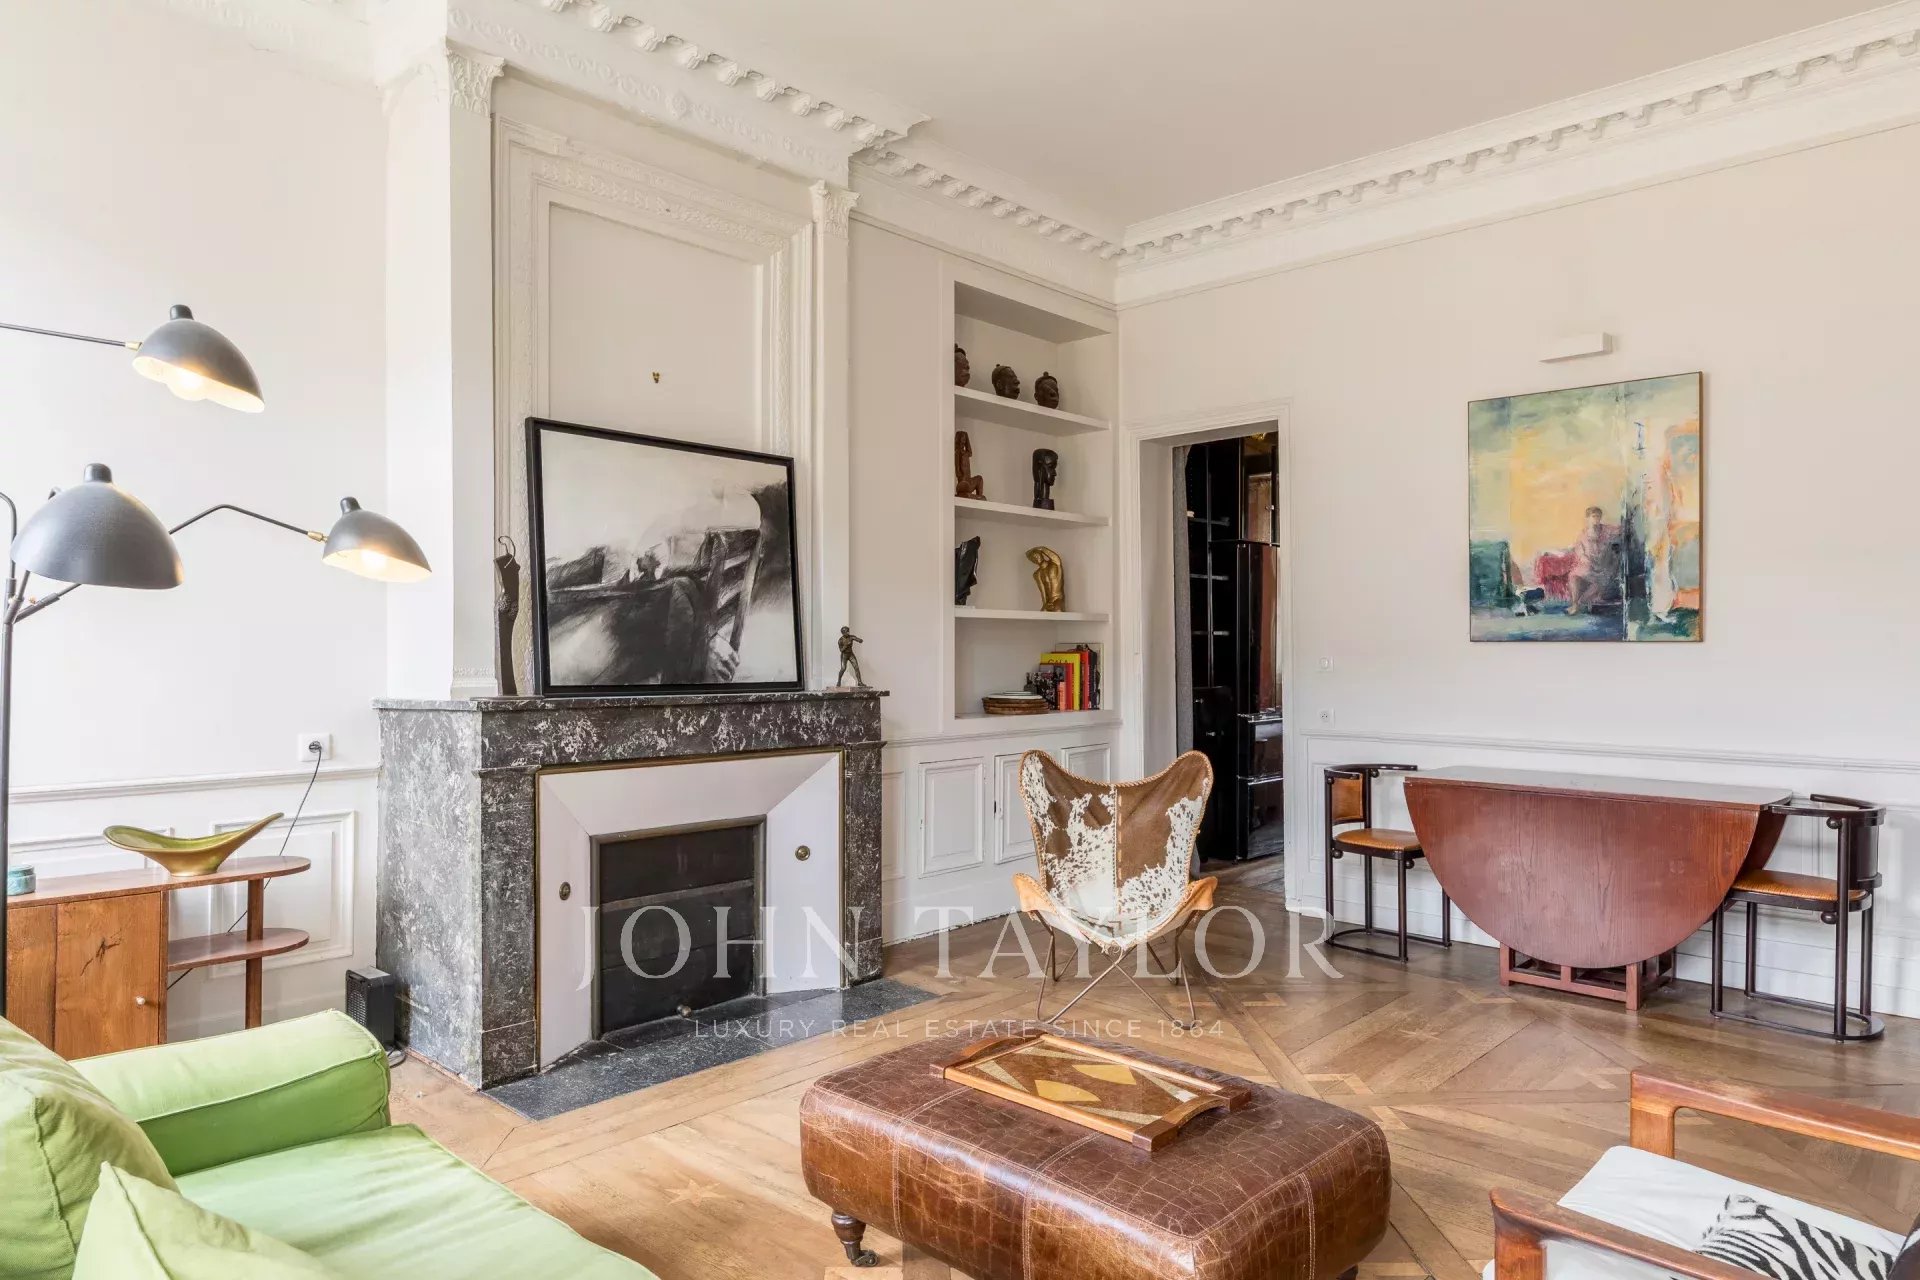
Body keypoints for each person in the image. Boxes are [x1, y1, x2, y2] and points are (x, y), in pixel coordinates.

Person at [1566, 505, 1620, 615]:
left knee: (1599, 582)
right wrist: (1585, 559)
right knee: (1573, 576)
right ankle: (1575, 604)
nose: (1596, 519)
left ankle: (1579, 604)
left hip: (1603, 566)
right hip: (1588, 565)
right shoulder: (1583, 534)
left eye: (1598, 516)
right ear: (1588, 518)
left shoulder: (1607, 530)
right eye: (1594, 516)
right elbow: (1579, 551)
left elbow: (1621, 530)